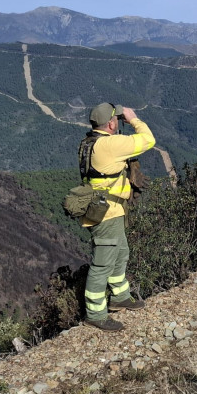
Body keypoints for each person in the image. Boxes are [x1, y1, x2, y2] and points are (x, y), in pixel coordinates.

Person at [82, 102, 156, 332]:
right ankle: (95, 314)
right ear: (112, 124)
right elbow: (148, 140)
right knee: (102, 264)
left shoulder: (90, 142)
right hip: (107, 213)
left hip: (109, 210)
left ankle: (120, 297)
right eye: (116, 119)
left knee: (121, 252)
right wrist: (133, 119)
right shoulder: (109, 144)